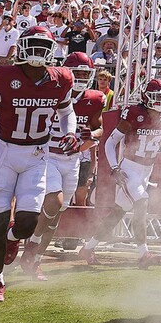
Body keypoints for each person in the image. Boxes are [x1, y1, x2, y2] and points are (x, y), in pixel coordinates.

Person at [0, 25, 74, 302]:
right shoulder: (4, 76)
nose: (37, 51)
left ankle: (14, 237)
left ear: (52, 50)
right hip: (4, 153)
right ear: (21, 47)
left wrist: (69, 131)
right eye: (32, 44)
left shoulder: (61, 79)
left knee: (27, 222)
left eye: (42, 45)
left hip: (36, 155)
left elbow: (67, 112)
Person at [33, 52, 103, 275]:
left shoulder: (93, 99)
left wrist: (91, 135)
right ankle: (31, 243)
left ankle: (35, 258)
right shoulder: (51, 91)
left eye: (85, 73)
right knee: (54, 202)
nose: (81, 77)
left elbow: (99, 129)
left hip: (73, 160)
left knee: (58, 212)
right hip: (49, 156)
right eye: (78, 73)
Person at [98, 78, 161, 269]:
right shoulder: (134, 113)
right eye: (157, 98)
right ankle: (143, 253)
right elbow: (110, 142)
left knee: (117, 213)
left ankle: (88, 247)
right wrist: (115, 168)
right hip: (129, 168)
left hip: (147, 172)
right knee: (142, 203)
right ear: (147, 97)